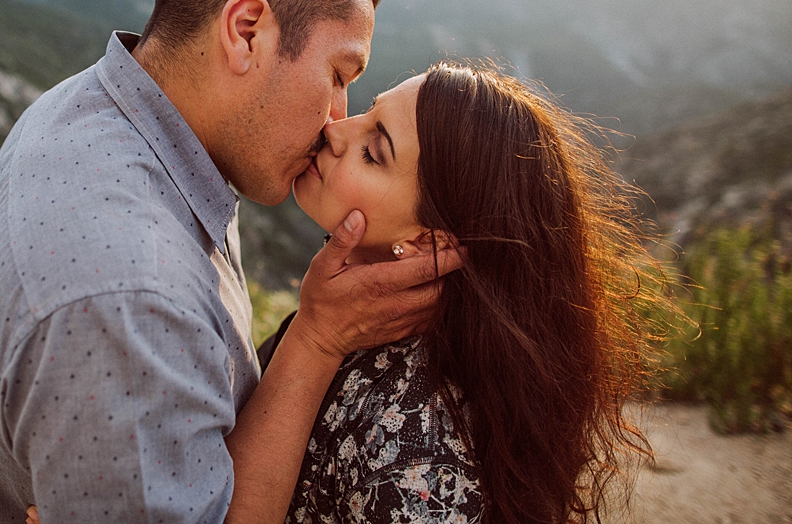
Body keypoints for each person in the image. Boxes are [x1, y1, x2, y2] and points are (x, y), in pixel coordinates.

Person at [0, 0, 462, 523]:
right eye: (338, 75)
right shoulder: (130, 302)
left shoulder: (101, 111)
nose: (335, 118)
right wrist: (317, 338)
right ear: (246, 32)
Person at [266, 63, 657, 523]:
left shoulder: (417, 461)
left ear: (428, 243)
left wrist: (315, 336)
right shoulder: (355, 328)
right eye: (369, 111)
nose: (335, 129)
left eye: (373, 152)